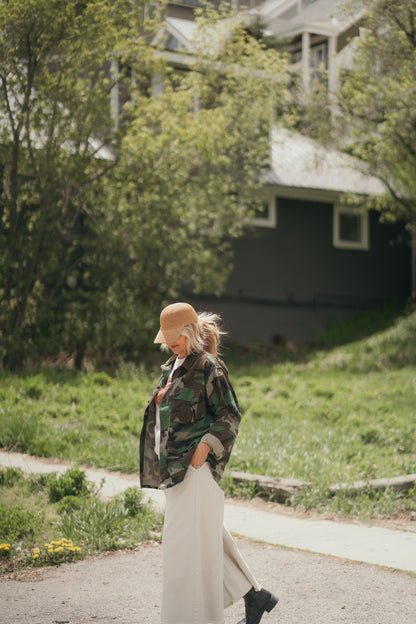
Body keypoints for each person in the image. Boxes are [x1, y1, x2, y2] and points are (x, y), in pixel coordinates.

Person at [140, 302, 278, 624]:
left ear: (189, 333)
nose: (170, 345)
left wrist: (206, 444)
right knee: (203, 539)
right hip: (173, 470)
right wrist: (161, 398)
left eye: (175, 339)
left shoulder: (207, 366)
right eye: (167, 341)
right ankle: (254, 596)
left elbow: (230, 414)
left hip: (195, 470)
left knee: (181, 550)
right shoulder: (174, 365)